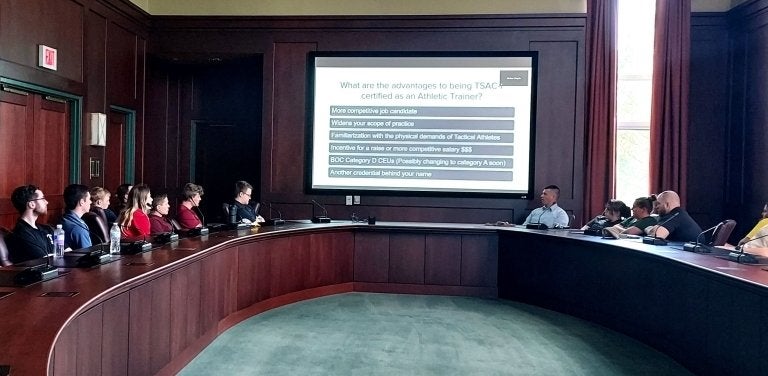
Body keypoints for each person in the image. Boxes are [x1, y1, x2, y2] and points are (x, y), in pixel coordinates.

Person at [7, 185, 54, 263]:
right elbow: (45, 260)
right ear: (31, 204)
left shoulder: (47, 228)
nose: (47, 202)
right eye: (42, 198)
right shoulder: (21, 234)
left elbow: (69, 252)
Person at [61, 184, 92, 250]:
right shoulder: (79, 229)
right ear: (82, 202)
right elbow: (87, 254)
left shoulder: (64, 218)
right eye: (89, 199)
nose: (91, 202)